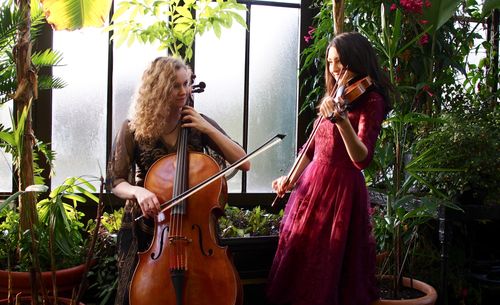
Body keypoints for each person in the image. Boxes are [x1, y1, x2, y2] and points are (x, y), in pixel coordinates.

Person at [106, 56, 250, 305]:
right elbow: (115, 181)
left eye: (186, 84)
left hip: (196, 229)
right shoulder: (132, 129)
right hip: (151, 230)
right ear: (158, 89)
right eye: (176, 86)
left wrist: (208, 128)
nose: (184, 91)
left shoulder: (196, 123)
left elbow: (244, 162)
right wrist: (139, 193)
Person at [267, 32, 392, 305]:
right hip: (312, 187)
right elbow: (312, 149)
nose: (334, 69)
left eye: (339, 62)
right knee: (300, 261)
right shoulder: (336, 95)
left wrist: (342, 121)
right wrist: (289, 178)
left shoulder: (371, 101)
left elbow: (361, 158)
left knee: (328, 268)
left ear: (356, 60)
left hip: (341, 193)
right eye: (330, 62)